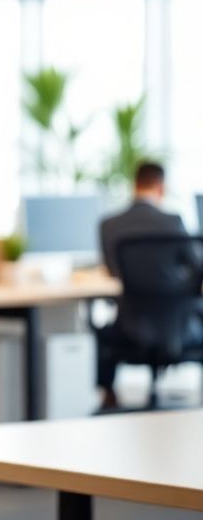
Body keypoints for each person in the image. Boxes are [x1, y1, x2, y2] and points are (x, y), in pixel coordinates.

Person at [94, 160, 188, 410]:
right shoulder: (173, 221)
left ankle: (108, 396)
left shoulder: (109, 224)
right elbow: (194, 266)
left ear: (134, 184)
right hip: (177, 329)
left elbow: (113, 270)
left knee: (99, 331)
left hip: (129, 327)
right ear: (160, 187)